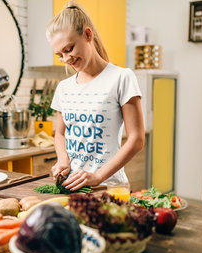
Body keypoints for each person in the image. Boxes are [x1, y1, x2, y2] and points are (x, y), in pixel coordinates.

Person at [46, 2, 145, 191]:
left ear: (88, 35)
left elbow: (137, 139)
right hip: (72, 187)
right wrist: (63, 159)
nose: (66, 59)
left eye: (69, 49)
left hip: (109, 188)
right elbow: (59, 133)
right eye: (60, 54)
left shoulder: (121, 78)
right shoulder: (64, 88)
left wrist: (98, 176)